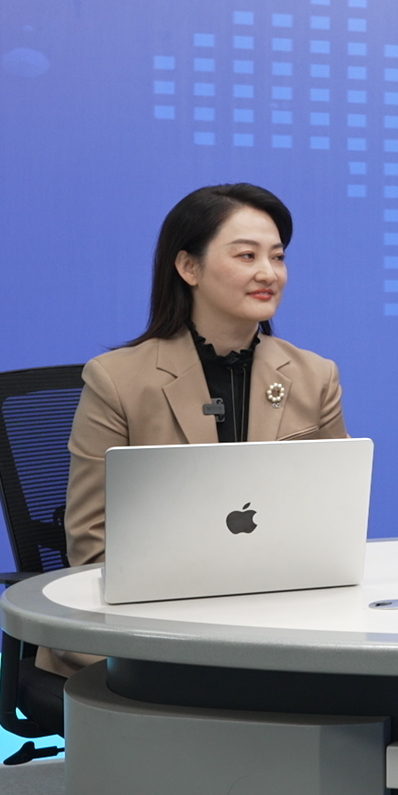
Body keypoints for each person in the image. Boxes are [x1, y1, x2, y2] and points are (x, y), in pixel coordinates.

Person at [46, 183, 348, 676]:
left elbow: (334, 525)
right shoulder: (117, 380)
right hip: (145, 623)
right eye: (247, 255)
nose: (268, 273)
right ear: (189, 267)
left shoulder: (315, 376)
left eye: (277, 257)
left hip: (278, 616)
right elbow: (91, 542)